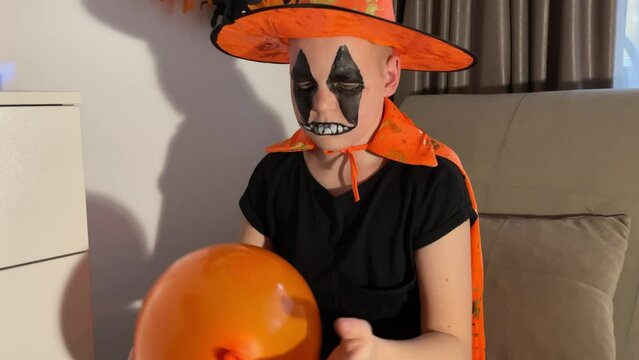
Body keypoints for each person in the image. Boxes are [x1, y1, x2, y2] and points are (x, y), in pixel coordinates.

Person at [131, 1, 485, 359]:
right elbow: (238, 289)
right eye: (303, 82)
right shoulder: (275, 176)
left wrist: (377, 352)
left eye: (344, 83)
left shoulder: (432, 182)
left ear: (390, 77)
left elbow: (452, 346)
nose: (321, 104)